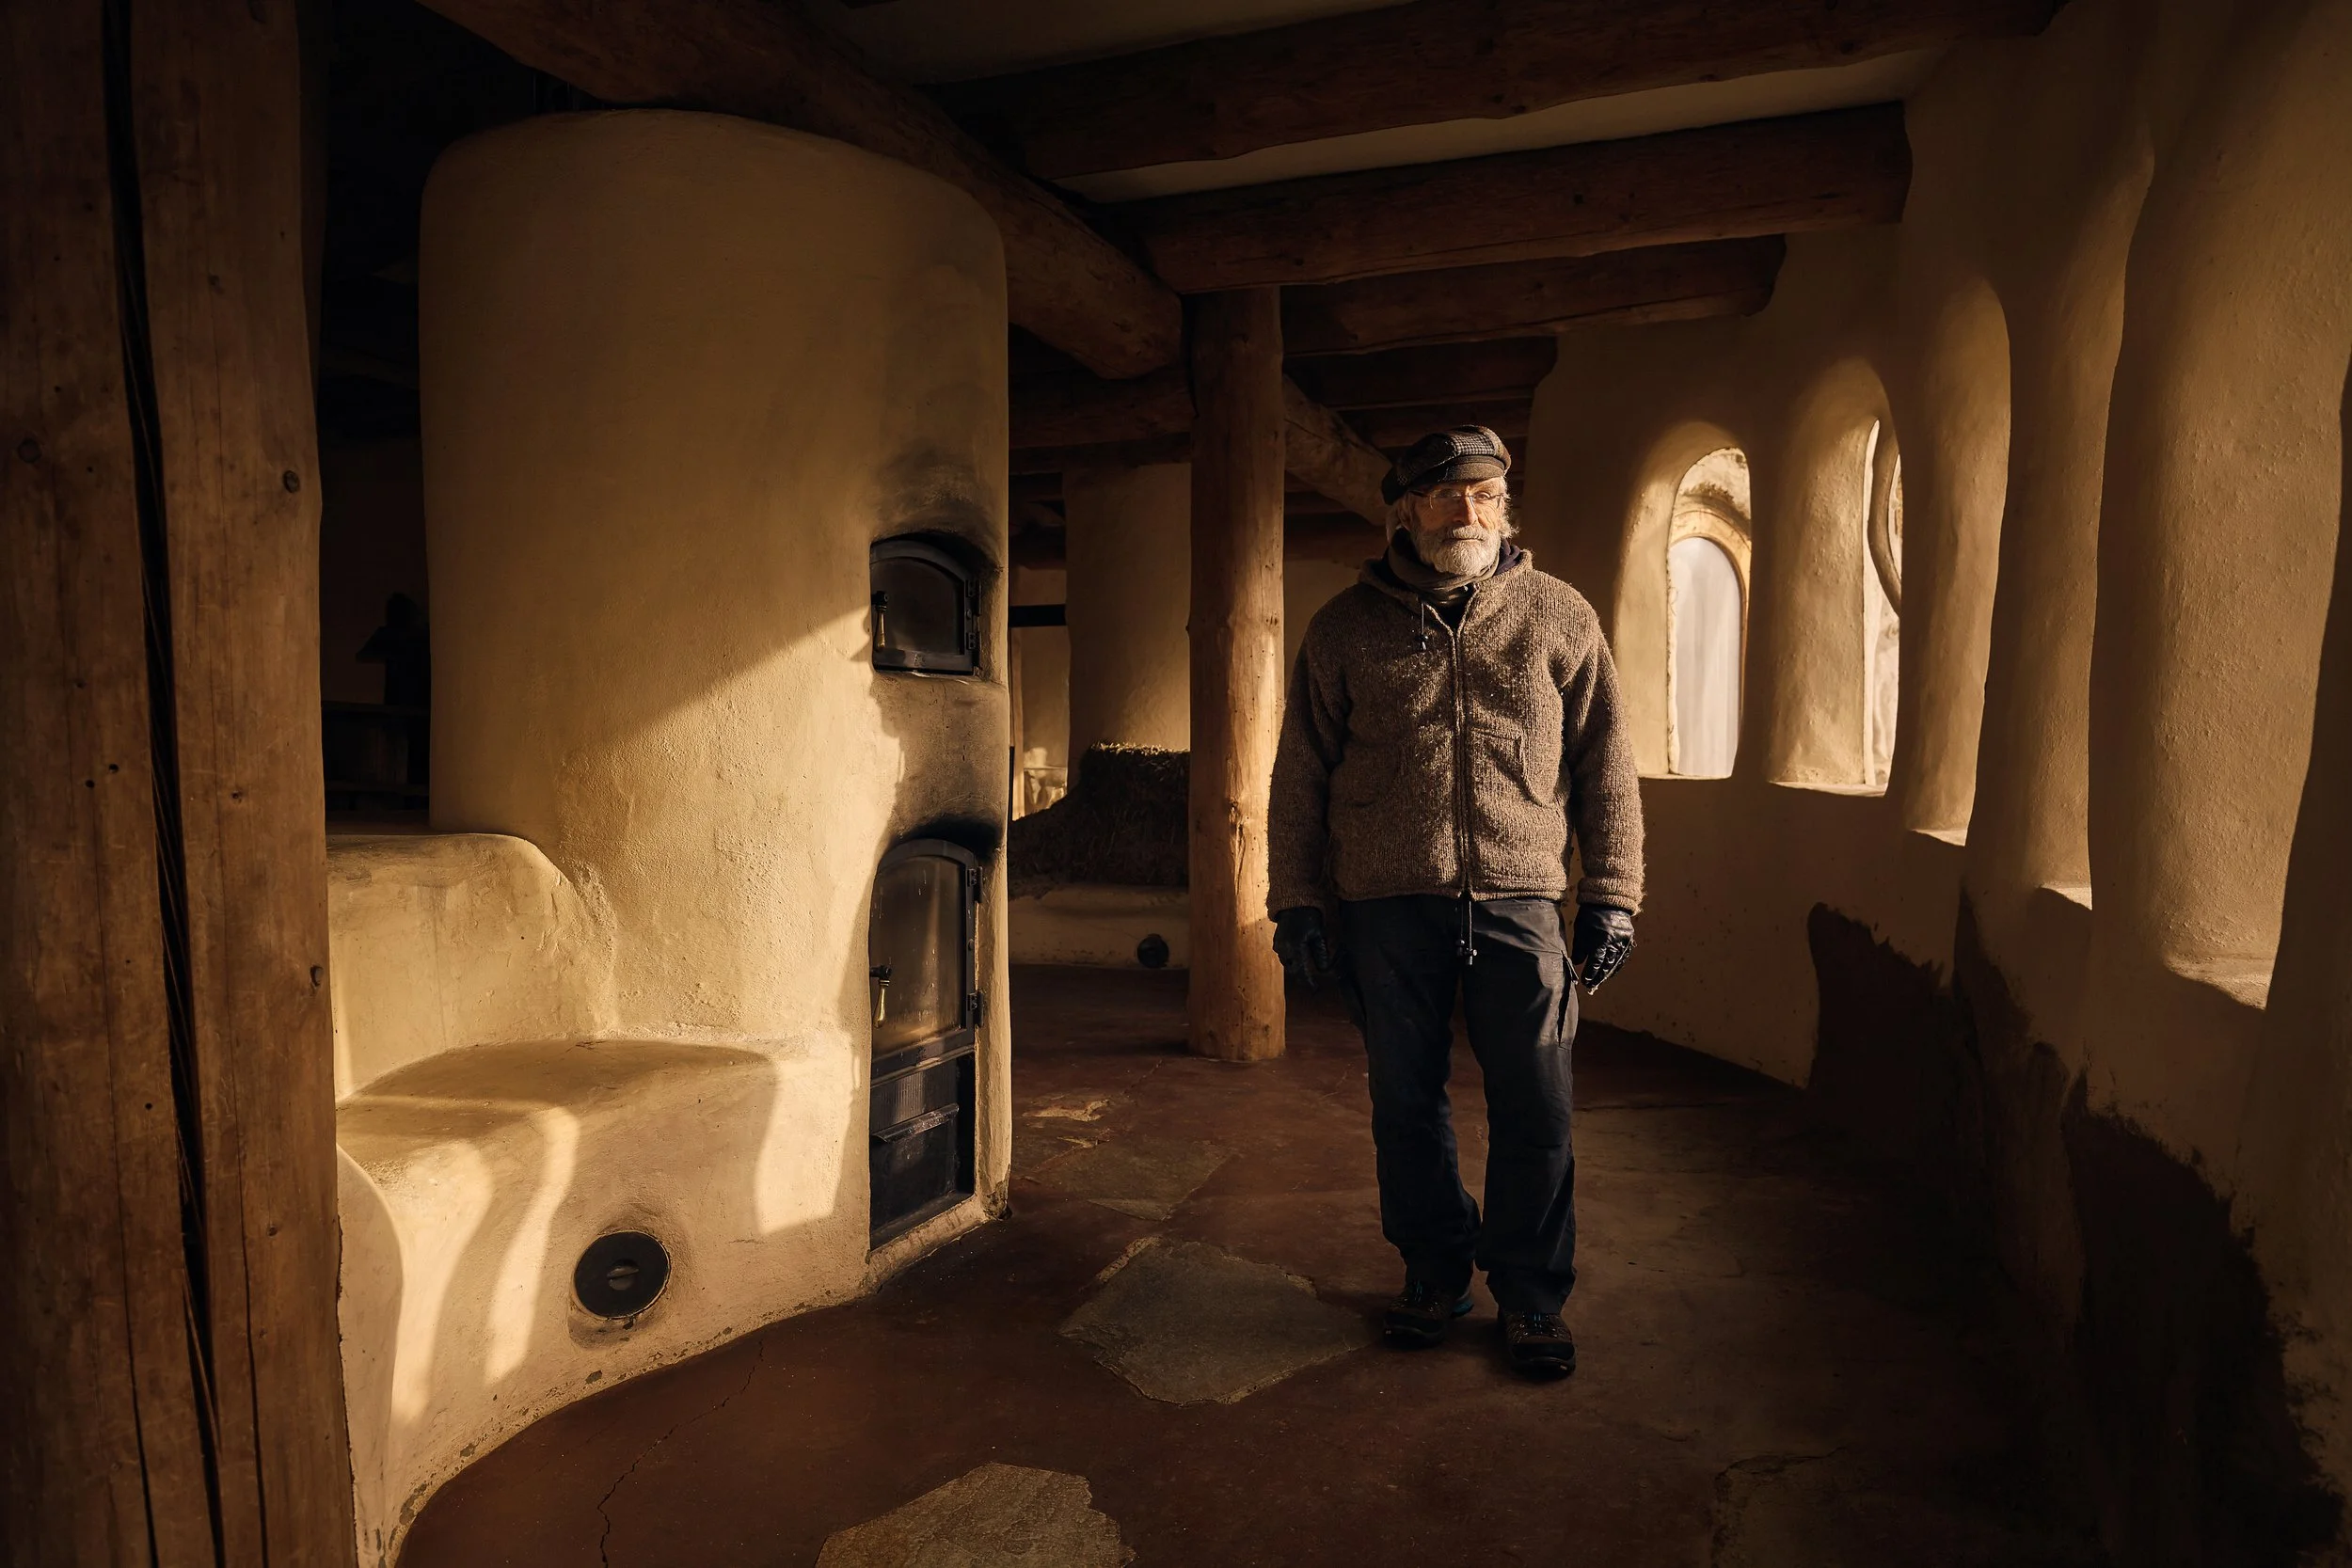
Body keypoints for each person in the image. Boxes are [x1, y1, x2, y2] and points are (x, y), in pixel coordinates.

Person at [1266, 426, 1644, 1379]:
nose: (1466, 511)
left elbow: (1607, 759)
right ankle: (1433, 1272)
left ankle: (1530, 1294)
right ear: (1405, 511)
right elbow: (1298, 773)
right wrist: (1297, 900)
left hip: (1521, 898)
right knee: (1405, 1101)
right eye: (1443, 496)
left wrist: (1613, 894)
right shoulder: (1344, 627)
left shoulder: (1558, 614)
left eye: (1483, 493)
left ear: (1505, 504)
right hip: (1384, 906)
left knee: (1538, 1106)